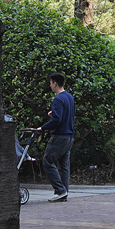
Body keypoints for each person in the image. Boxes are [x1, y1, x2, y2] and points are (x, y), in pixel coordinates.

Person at [39, 72, 75, 202]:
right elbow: (66, 115)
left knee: (47, 161)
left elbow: (57, 120)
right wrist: (54, 115)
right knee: (64, 165)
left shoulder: (58, 99)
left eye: (50, 83)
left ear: (55, 83)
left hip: (60, 135)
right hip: (69, 136)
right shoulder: (69, 98)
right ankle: (64, 192)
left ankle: (60, 190)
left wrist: (42, 128)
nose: (50, 86)